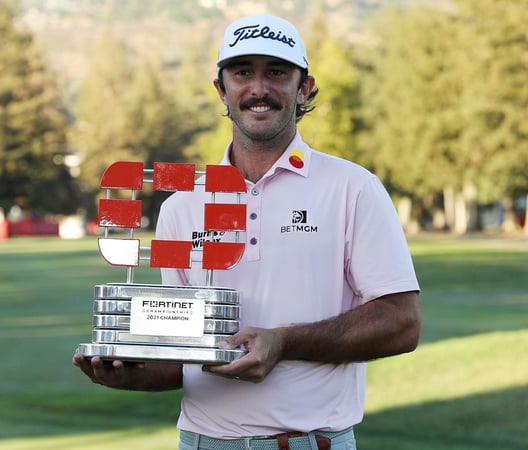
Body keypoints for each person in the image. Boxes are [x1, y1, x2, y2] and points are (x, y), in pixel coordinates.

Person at [74, 13, 421, 450]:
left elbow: (403, 322)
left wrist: (283, 343)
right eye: (243, 73)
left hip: (309, 442)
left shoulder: (352, 188)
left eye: (276, 72)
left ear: (304, 88)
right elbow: (189, 355)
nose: (259, 89)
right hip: (203, 442)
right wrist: (126, 370)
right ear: (221, 89)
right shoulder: (183, 204)